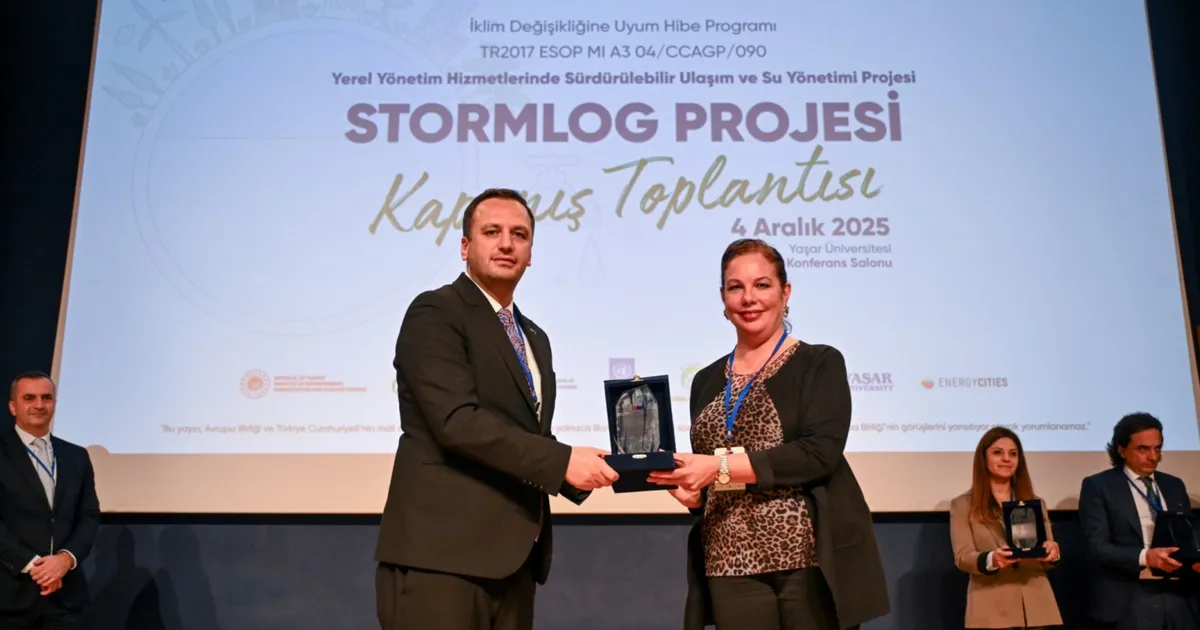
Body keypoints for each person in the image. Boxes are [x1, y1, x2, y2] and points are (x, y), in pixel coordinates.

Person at [374, 188, 619, 630]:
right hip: (442, 559)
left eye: (519, 235)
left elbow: (526, 436)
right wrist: (563, 461)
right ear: (465, 246)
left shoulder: (534, 337)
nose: (507, 243)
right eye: (492, 232)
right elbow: (457, 422)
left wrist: (608, 467)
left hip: (513, 561)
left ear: (531, 254)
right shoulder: (436, 312)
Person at [648, 238, 889, 630]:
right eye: (735, 287)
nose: (749, 298)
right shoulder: (705, 380)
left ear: (785, 292)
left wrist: (718, 468)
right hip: (729, 561)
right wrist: (696, 497)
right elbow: (715, 477)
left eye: (762, 285)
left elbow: (818, 454)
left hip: (806, 559)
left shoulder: (819, 363)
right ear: (723, 299)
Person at [1079, 412, 1200, 630]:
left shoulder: (1174, 485)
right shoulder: (1099, 486)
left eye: (1158, 448)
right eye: (1143, 449)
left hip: (1178, 594)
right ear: (1121, 449)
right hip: (1130, 595)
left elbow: (1187, 536)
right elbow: (1096, 547)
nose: (1153, 457)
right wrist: (1146, 557)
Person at [0, 371, 101, 629]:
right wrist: (34, 566)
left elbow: (88, 516)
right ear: (13, 407)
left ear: (54, 404)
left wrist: (65, 560)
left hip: (66, 597)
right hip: (10, 596)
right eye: (29, 398)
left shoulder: (76, 456)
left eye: (46, 398)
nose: (39, 405)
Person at [949, 427, 1062, 629]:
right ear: (983, 458)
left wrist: (1052, 553)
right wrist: (993, 559)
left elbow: (1047, 554)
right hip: (991, 610)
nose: (1006, 459)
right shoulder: (963, 505)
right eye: (997, 452)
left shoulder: (1036, 503)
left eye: (1013, 454)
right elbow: (962, 557)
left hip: (1038, 608)